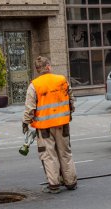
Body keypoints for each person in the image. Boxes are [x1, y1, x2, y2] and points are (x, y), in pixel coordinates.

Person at [22, 56, 77, 194]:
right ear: (48, 67)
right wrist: (68, 113)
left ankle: (54, 185)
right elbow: (71, 100)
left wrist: (25, 122)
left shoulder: (34, 85)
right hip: (63, 125)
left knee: (49, 155)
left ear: (37, 69)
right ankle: (70, 182)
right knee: (65, 153)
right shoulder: (61, 80)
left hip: (44, 127)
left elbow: (30, 108)